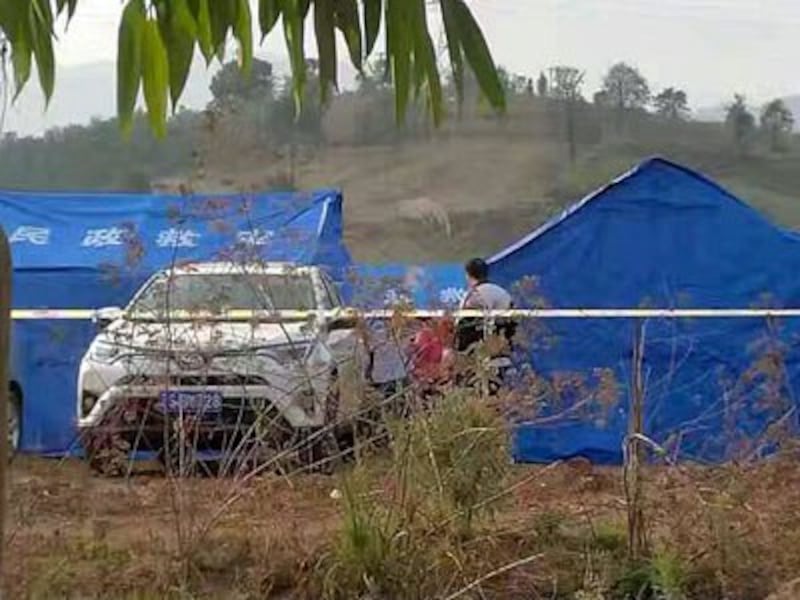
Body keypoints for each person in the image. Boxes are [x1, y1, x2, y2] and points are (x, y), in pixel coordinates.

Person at [456, 258, 515, 353]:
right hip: (504, 347)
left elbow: (466, 325)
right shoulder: (503, 293)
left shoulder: (473, 295)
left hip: (479, 351)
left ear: (468, 275)